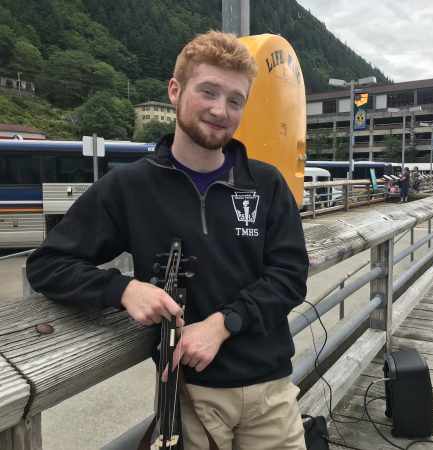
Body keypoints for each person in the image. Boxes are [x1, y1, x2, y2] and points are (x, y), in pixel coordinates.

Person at [26, 31, 309, 450]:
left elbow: (290, 276)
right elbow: (47, 264)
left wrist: (223, 324)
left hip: (272, 392)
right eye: (208, 92)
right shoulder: (129, 187)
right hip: (191, 398)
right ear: (175, 91)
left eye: (235, 100)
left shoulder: (266, 184)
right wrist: (122, 288)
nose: (220, 110)